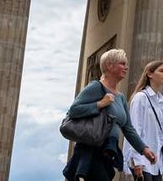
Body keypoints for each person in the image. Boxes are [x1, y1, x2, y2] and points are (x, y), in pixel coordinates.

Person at [63, 48, 157, 181]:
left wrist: (144, 149)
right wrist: (100, 104)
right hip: (91, 150)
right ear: (109, 65)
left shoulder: (120, 98)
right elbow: (73, 110)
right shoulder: (96, 87)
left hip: (109, 150)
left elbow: (128, 128)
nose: (126, 67)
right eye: (122, 63)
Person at [124, 60, 163, 181]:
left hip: (157, 162)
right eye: (161, 71)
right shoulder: (140, 98)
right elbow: (134, 130)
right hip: (142, 159)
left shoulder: (161, 101)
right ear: (150, 74)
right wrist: (137, 160)